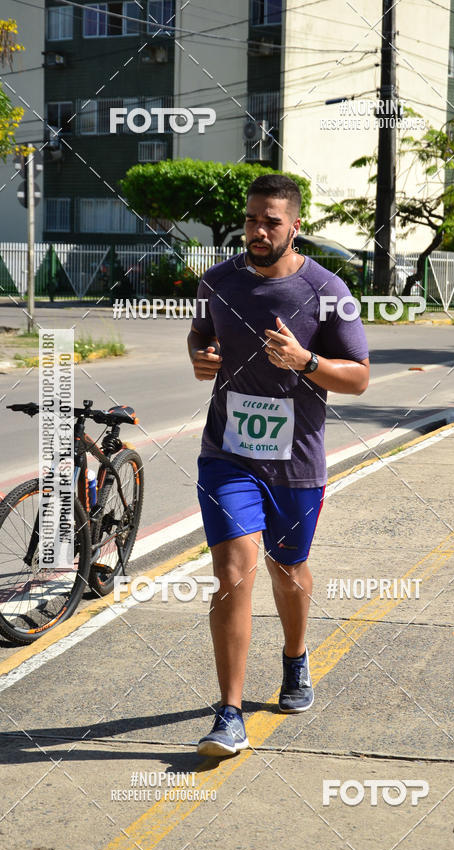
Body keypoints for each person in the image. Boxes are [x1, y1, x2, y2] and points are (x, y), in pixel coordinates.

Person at [187, 174, 369, 757]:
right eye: (250, 220)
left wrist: (305, 359)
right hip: (227, 455)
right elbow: (199, 338)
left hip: (297, 462)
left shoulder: (328, 289)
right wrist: (201, 357)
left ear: (295, 226)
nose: (257, 231)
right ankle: (230, 713)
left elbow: (359, 377)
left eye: (270, 221)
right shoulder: (216, 282)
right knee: (233, 573)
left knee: (288, 572)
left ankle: (295, 658)